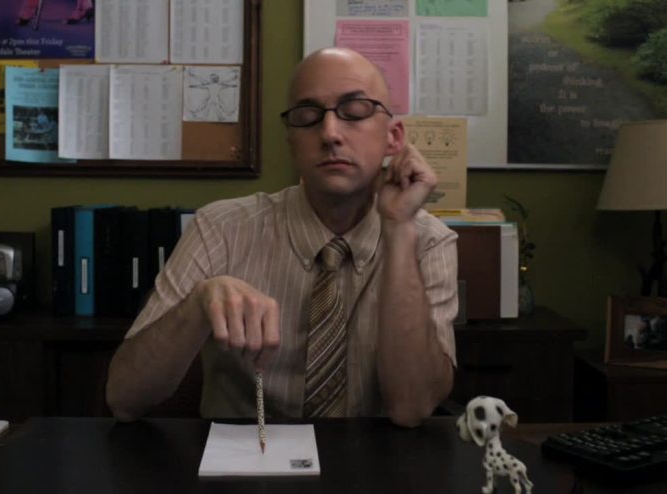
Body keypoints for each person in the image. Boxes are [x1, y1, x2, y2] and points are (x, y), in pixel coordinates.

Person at [106, 47, 458, 427]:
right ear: (291, 141)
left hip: (374, 458)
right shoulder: (221, 228)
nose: (330, 133)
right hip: (246, 456)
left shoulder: (429, 241)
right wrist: (198, 303)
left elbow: (411, 409)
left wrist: (399, 228)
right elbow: (124, 398)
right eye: (307, 117)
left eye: (355, 111)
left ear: (393, 138)